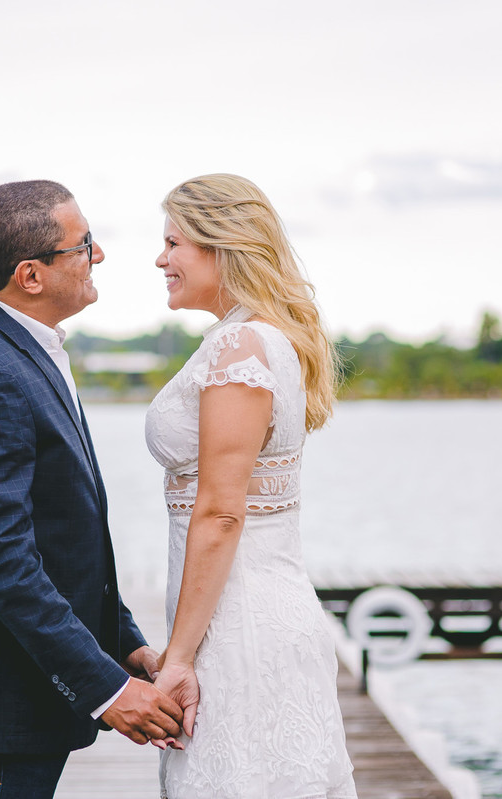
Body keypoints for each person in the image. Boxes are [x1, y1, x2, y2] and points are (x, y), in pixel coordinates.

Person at [0, 180, 184, 799]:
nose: (100, 256)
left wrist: (125, 645)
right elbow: (1, 561)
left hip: (18, 699)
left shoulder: (21, 347)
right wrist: (107, 690)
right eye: (84, 245)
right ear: (31, 275)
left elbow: (60, 536)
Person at [146, 174, 358, 797]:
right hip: (252, 608)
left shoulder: (242, 344)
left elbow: (219, 513)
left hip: (239, 625)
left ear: (221, 245)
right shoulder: (259, 338)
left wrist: (179, 657)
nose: (161, 259)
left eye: (174, 243)